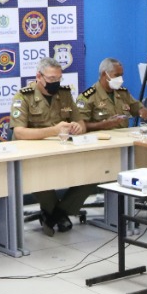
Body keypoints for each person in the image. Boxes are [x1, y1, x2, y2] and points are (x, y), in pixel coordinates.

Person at [76, 59, 147, 222]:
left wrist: (142, 110)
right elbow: (81, 125)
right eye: (117, 75)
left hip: (126, 140)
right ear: (104, 75)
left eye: (122, 75)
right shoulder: (88, 96)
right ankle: (116, 213)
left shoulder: (122, 92)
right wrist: (104, 124)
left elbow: (136, 107)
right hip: (102, 144)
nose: (120, 79)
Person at [10, 57, 90, 235]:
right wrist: (53, 130)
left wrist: (78, 127)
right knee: (39, 179)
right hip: (35, 156)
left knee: (93, 173)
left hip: (63, 150)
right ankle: (58, 215)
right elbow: (19, 132)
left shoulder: (65, 94)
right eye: (51, 79)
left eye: (59, 79)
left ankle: (56, 214)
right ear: (39, 76)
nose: (56, 83)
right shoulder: (24, 96)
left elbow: (81, 122)